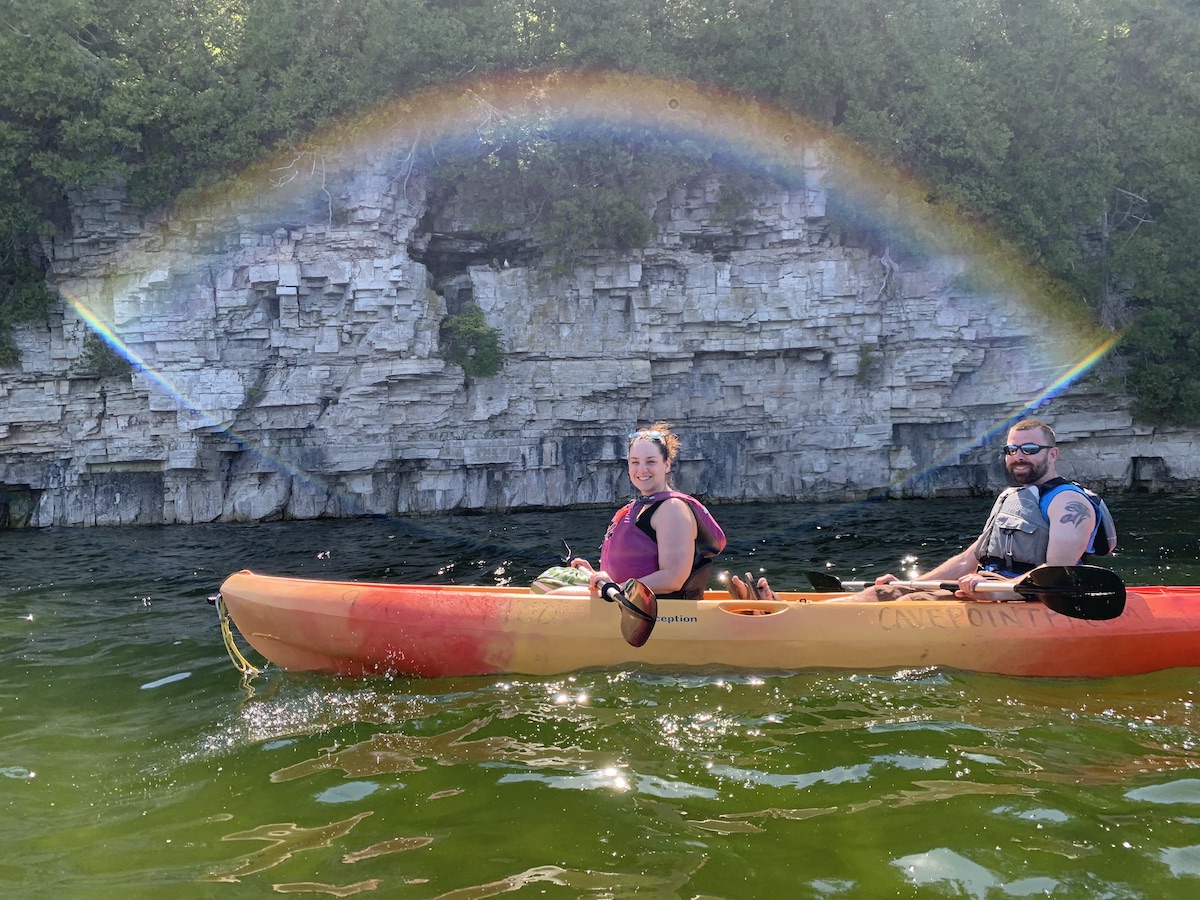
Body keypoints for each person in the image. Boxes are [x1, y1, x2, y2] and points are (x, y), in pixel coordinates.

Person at [731, 418, 1113, 602]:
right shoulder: (1013, 497)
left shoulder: (1068, 503)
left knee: (895, 602)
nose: (1018, 457)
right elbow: (970, 558)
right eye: (1012, 450)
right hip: (983, 590)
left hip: (1020, 604)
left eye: (1029, 449)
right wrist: (911, 581)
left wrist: (995, 591)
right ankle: (787, 611)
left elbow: (1057, 581)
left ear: (1053, 454)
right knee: (891, 590)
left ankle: (785, 618)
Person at [570, 422, 727, 600]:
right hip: (622, 597)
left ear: (666, 465)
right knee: (545, 586)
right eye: (635, 462)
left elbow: (672, 579)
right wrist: (596, 576)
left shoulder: (672, 509)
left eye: (651, 461)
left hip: (656, 613)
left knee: (554, 594)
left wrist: (616, 588)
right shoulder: (641, 507)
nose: (642, 469)